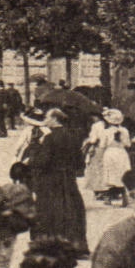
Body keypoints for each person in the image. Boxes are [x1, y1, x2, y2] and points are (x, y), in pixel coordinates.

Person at [29, 106, 87, 255]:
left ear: (55, 119)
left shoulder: (49, 138)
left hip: (51, 180)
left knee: (50, 212)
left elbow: (42, 161)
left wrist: (36, 146)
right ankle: (74, 245)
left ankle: (51, 246)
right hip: (69, 180)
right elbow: (80, 163)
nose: (45, 120)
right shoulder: (73, 136)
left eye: (47, 117)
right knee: (71, 210)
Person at [83, 107, 131, 205]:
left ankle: (108, 198)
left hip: (110, 153)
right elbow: (128, 144)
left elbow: (102, 145)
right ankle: (124, 197)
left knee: (108, 174)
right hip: (122, 153)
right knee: (122, 174)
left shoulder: (107, 131)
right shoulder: (125, 130)